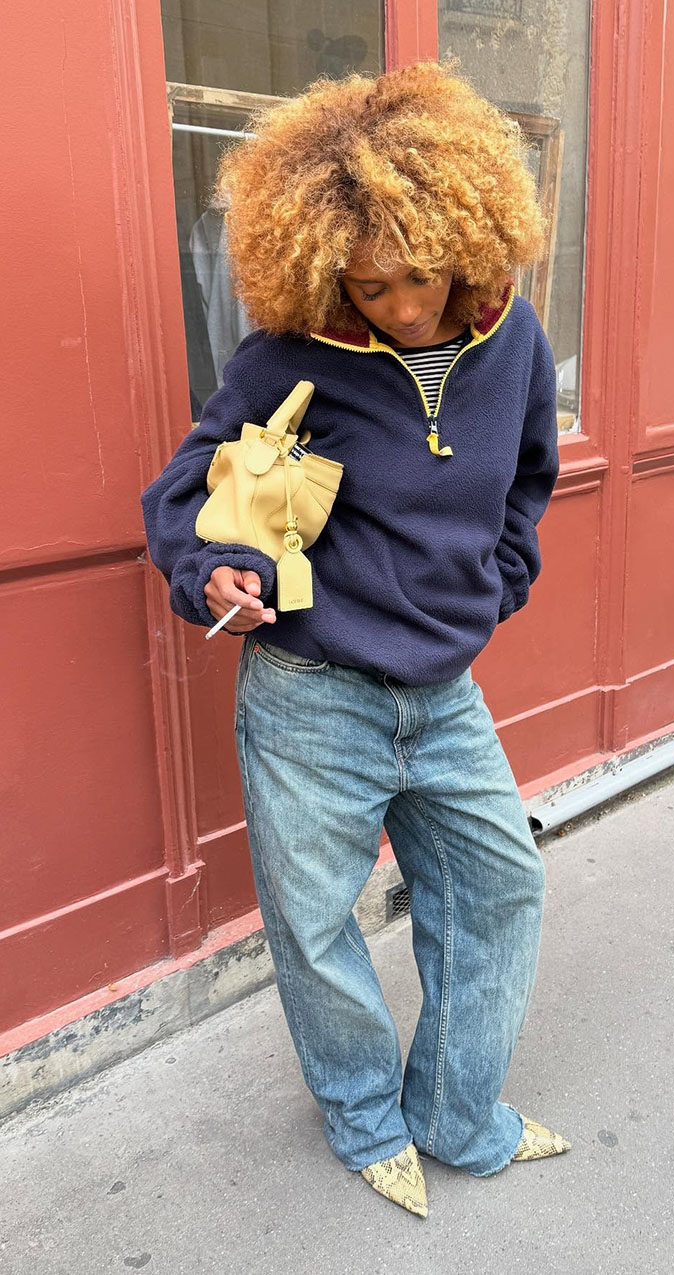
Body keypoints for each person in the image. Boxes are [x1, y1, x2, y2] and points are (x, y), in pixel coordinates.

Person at [140, 60, 569, 1219]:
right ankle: (366, 1120)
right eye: (371, 285)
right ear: (328, 264)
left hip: (444, 691)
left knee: (499, 888)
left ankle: (458, 1115)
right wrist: (213, 568)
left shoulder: (513, 337)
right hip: (309, 692)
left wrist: (497, 584)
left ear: (467, 240)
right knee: (316, 923)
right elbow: (185, 487)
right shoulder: (292, 351)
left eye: (421, 275)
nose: (404, 307)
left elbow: (529, 477)